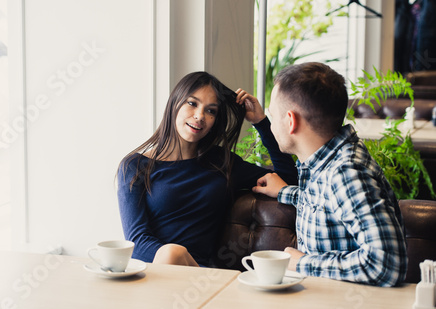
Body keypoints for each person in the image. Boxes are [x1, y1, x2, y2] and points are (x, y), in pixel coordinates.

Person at [117, 71, 297, 267]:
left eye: (211, 111)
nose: (200, 116)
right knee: (172, 253)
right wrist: (171, 256)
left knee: (174, 253)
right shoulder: (134, 166)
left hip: (199, 275)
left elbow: (287, 177)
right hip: (152, 271)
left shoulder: (222, 163)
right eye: (192, 103)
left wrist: (260, 122)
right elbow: (137, 240)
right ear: (174, 103)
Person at [252, 62, 408, 287]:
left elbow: (387, 263)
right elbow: (327, 202)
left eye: (273, 116)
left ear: (291, 121)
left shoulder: (346, 173)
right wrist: (287, 192)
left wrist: (304, 263)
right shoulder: (326, 162)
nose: (272, 124)